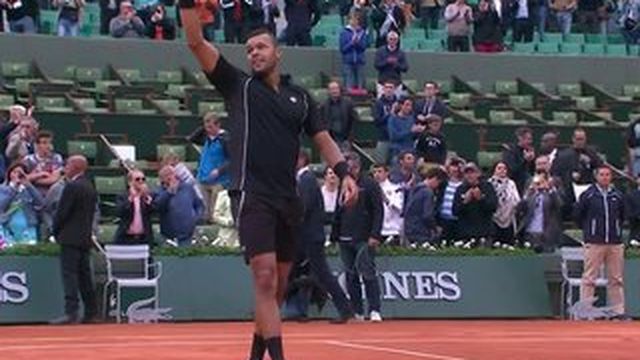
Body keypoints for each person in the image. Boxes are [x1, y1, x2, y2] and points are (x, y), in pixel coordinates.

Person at [177, 4, 358, 357]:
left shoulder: (301, 98)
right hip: (252, 195)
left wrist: (344, 173)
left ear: (278, 52)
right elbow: (196, 42)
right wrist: (187, 5)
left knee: (276, 290)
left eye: (260, 47)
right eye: (249, 50)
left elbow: (323, 140)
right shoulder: (238, 87)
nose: (254, 54)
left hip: (288, 201)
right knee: (264, 278)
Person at [294, 149, 353, 323]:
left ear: (302, 159)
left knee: (322, 274)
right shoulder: (304, 180)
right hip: (306, 235)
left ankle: (344, 309)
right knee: (294, 272)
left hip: (310, 236)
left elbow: (303, 208)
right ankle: (294, 310)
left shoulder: (306, 180)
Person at [332, 152, 383, 322]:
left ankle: (374, 309)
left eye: (349, 167)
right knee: (351, 276)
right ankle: (358, 311)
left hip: (364, 237)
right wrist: (335, 235)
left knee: (368, 273)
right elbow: (338, 212)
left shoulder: (370, 185)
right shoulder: (343, 185)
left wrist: (375, 234)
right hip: (345, 237)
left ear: (357, 167)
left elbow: (378, 211)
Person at [50, 155, 99, 325]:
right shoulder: (90, 186)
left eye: (68, 164)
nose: (65, 167)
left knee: (70, 275)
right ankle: (92, 313)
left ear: (76, 167)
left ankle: (71, 313)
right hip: (85, 238)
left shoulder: (72, 187)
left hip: (70, 239)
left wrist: (55, 231)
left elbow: (62, 213)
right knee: (85, 276)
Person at [574, 165, 627, 319]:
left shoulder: (617, 195)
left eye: (607, 174)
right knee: (590, 278)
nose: (605, 177)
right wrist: (590, 231)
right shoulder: (588, 195)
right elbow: (578, 215)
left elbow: (622, 216)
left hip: (614, 243)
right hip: (594, 242)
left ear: (611, 177)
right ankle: (586, 311)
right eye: (602, 174)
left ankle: (618, 312)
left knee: (616, 279)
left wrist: (616, 231)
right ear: (596, 177)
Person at [190, 113, 230, 222]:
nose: (208, 130)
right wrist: (205, 126)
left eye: (211, 127)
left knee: (215, 214)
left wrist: (219, 170)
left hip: (219, 181)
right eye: (206, 127)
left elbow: (232, 160)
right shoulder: (205, 138)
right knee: (204, 214)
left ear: (218, 125)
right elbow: (192, 138)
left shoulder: (225, 139)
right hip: (203, 178)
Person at [154, 165, 204, 247]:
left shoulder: (188, 188)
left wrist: (195, 218)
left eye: (171, 175)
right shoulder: (159, 191)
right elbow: (158, 206)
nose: (171, 178)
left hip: (188, 236)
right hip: (168, 237)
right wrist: (169, 192)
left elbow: (199, 205)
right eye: (166, 177)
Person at [453, 162, 498, 247]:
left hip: (484, 233)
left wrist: (481, 199)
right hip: (465, 234)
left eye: (472, 172)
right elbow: (455, 211)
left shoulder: (487, 187)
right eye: (467, 173)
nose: (469, 175)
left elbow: (493, 207)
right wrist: (465, 201)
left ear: (478, 173)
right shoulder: (460, 189)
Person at [517, 170, 562, 252]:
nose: (538, 185)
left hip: (544, 233)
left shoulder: (551, 194)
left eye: (541, 182)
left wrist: (550, 189)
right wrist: (526, 195)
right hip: (529, 231)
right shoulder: (530, 194)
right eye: (536, 182)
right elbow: (519, 209)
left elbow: (558, 205)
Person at [0, 162, 44, 245]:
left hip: (28, 226)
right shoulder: (2, 189)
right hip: (8, 226)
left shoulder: (28, 188)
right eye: (14, 172)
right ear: (9, 174)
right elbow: (1, 207)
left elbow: (40, 203)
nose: (17, 175)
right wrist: (13, 188)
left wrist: (28, 184)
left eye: (20, 173)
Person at [404, 167, 447, 249]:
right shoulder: (428, 192)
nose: (437, 186)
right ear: (434, 178)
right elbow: (427, 215)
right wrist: (435, 228)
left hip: (409, 228)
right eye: (439, 182)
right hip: (421, 231)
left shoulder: (414, 189)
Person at [114, 170, 154, 246]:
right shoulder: (123, 196)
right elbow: (119, 212)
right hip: (126, 238)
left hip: (144, 238)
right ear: (130, 182)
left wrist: (147, 199)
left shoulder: (148, 196)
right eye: (137, 179)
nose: (141, 181)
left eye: (143, 179)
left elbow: (154, 211)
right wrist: (131, 198)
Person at [488, 161, 520, 249]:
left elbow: (516, 200)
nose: (502, 170)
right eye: (499, 168)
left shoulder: (511, 184)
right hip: (493, 219)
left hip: (509, 217)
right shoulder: (489, 183)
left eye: (504, 168)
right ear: (494, 170)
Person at [24, 131, 64, 197]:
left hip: (51, 194)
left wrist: (33, 180)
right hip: (32, 194)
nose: (48, 146)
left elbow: (54, 179)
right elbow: (24, 178)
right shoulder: (28, 159)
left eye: (50, 142)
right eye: (44, 143)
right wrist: (41, 174)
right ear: (37, 145)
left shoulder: (57, 158)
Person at [319, 81, 359, 147]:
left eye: (336, 88)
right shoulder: (323, 106)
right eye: (332, 89)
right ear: (328, 91)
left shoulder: (348, 103)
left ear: (340, 90)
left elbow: (355, 120)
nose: (334, 91)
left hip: (345, 139)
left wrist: (350, 138)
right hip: (330, 140)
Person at [372, 163, 403, 245]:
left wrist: (386, 199)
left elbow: (400, 208)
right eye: (374, 172)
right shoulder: (371, 189)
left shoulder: (395, 188)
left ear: (386, 173)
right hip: (376, 231)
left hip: (392, 230)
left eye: (379, 171)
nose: (377, 174)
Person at [338, 13, 369, 92]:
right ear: (349, 20)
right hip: (348, 62)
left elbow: (363, 47)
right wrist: (351, 43)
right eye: (352, 19)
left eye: (356, 20)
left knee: (360, 84)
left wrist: (357, 43)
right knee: (349, 83)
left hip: (360, 61)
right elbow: (343, 49)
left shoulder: (362, 32)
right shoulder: (344, 33)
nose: (354, 21)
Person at [438, 157, 465, 244]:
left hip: (458, 220)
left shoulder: (463, 184)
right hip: (444, 219)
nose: (455, 169)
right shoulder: (443, 183)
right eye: (452, 166)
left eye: (457, 166)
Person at [374, 31, 408, 98]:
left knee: (397, 103)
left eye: (395, 39)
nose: (392, 41)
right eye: (391, 39)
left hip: (396, 83)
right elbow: (376, 65)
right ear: (387, 40)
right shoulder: (380, 51)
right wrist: (386, 62)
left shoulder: (401, 53)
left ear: (397, 41)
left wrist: (396, 64)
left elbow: (405, 68)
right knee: (381, 101)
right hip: (383, 82)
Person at [502, 127, 535, 194]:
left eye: (531, 139)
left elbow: (532, 171)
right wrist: (525, 160)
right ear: (520, 138)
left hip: (528, 183)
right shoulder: (510, 151)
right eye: (528, 139)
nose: (530, 142)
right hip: (514, 183)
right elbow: (513, 170)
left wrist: (532, 161)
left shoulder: (530, 151)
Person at [372, 80, 397, 164]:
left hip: (396, 139)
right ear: (383, 89)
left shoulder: (399, 103)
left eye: (391, 87)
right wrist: (390, 114)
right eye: (387, 87)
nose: (389, 90)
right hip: (383, 138)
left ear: (395, 89)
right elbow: (377, 121)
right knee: (380, 163)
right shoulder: (378, 103)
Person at [387, 97, 415, 162]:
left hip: (410, 151)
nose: (409, 108)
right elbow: (393, 136)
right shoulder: (393, 119)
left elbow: (413, 137)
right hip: (397, 151)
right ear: (401, 105)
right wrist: (410, 131)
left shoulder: (411, 119)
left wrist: (418, 131)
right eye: (407, 105)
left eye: (410, 105)